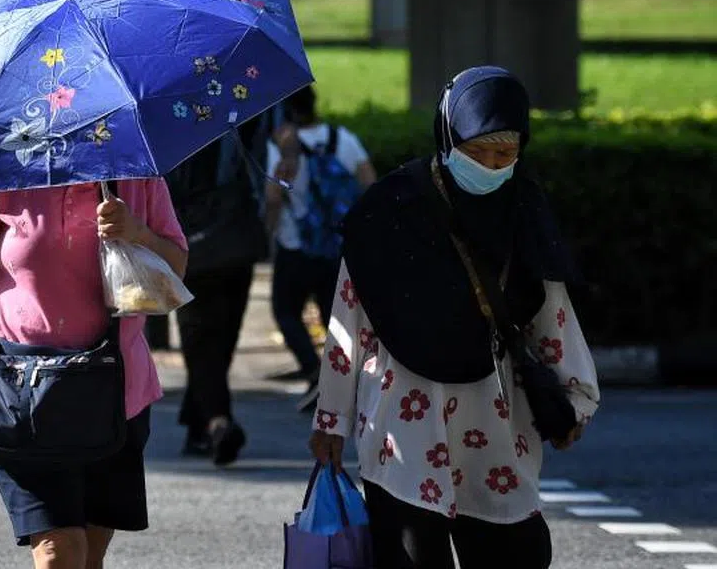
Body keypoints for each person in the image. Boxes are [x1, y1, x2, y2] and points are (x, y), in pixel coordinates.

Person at [307, 66, 599, 569]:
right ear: (448, 137)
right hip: (402, 420)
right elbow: (347, 318)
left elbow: (552, 311)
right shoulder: (389, 209)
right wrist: (331, 419)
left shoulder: (523, 207)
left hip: (496, 416)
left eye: (504, 154)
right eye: (476, 151)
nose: (489, 166)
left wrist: (574, 398)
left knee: (513, 552)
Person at [0, 181, 187, 568]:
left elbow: (176, 269)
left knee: (88, 556)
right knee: (60, 553)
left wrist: (137, 233)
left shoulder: (134, 170)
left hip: (116, 394)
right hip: (20, 391)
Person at [167, 115, 272, 466]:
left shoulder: (173, 127)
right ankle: (200, 422)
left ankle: (215, 422)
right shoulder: (243, 117)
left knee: (200, 343)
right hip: (238, 239)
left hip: (192, 249)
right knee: (223, 336)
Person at [264, 85, 375, 412]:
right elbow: (370, 184)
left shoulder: (280, 147)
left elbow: (272, 198)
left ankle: (314, 372)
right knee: (335, 319)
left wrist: (268, 230)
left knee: (286, 312)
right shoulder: (343, 139)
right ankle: (337, 380)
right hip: (337, 246)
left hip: (295, 246)